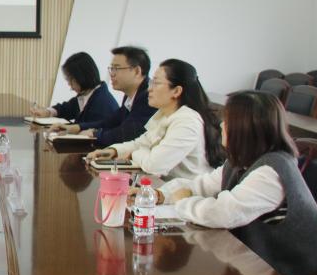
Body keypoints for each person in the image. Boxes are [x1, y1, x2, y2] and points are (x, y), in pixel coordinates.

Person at [150, 90, 317, 275]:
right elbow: (202, 184)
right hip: (257, 267)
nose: (221, 125)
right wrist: (160, 194)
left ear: (245, 129)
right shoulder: (243, 159)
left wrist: (182, 202)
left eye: (227, 121)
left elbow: (223, 214)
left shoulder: (271, 173)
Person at [87, 59, 223, 179]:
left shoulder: (188, 122)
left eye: (156, 83)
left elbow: (154, 165)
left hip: (185, 195)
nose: (149, 89)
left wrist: (133, 154)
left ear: (176, 91)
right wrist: (113, 151)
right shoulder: (163, 114)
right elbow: (140, 143)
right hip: (163, 188)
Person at [65, 46, 153, 146]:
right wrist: (78, 127)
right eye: (111, 68)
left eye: (116, 68)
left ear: (137, 71)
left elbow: (127, 133)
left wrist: (95, 134)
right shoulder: (131, 95)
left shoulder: (149, 96)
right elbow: (111, 121)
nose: (112, 74)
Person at [30, 52, 118, 127]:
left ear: (81, 78)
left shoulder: (101, 105)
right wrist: (47, 112)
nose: (70, 87)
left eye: (70, 81)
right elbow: (66, 109)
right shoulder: (87, 94)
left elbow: (88, 134)